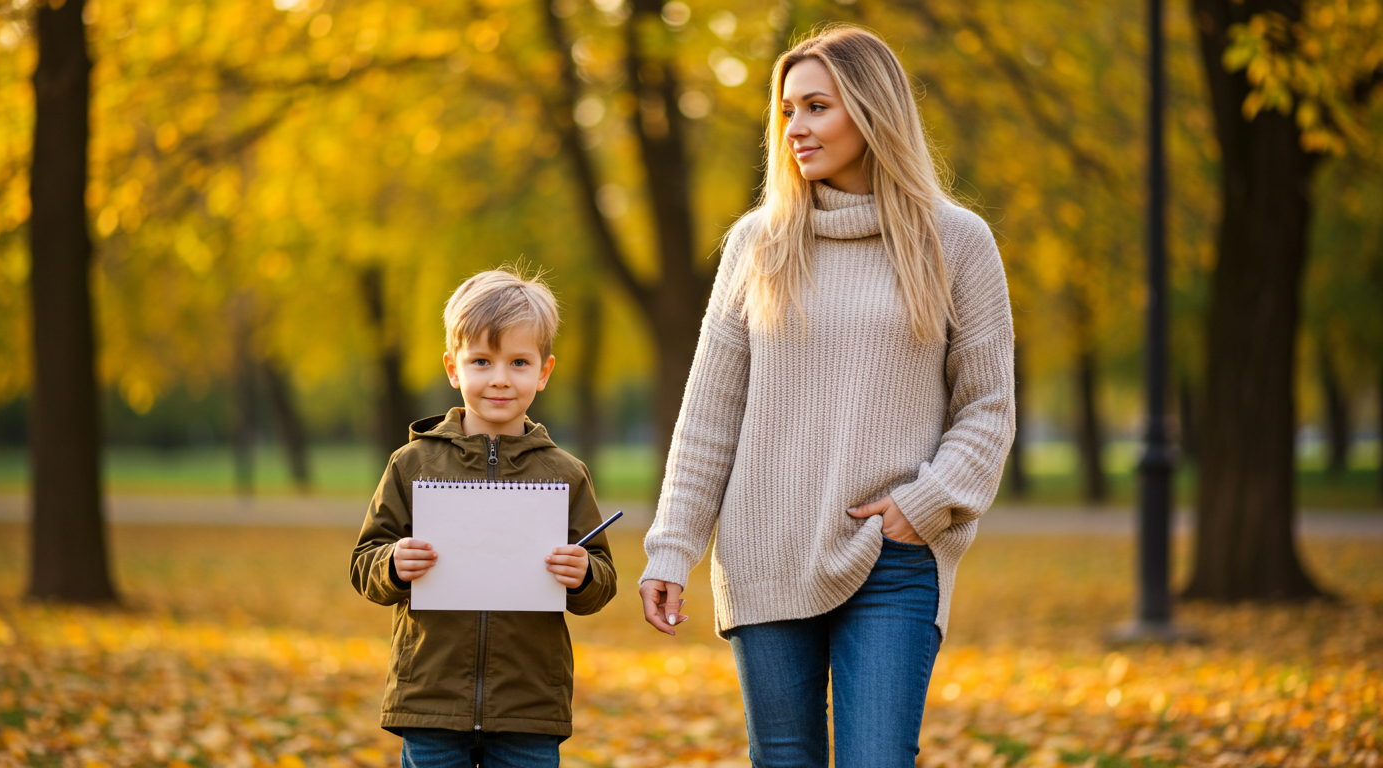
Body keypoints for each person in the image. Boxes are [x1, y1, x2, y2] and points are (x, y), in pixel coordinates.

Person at [638, 25, 1016, 768]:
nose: (795, 128)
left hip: (893, 555)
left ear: (873, 110)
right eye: (787, 110)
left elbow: (987, 406)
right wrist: (671, 550)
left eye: (817, 107)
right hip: (764, 550)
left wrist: (925, 502)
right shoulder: (758, 244)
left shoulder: (957, 241)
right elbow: (709, 417)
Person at [351, 267, 617, 768]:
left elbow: (601, 580)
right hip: (430, 698)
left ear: (543, 372)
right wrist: (392, 563)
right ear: (453, 369)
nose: (499, 378)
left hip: (528, 706)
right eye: (481, 361)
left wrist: (583, 574)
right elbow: (364, 562)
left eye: (519, 362)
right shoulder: (411, 464)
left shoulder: (565, 473)